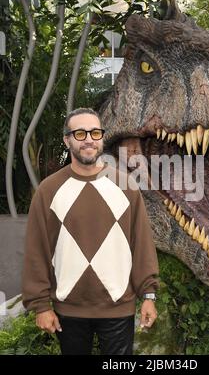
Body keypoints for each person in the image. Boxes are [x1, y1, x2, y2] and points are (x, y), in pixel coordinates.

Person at [22, 107, 159, 355]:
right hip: (68, 308)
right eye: (80, 133)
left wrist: (149, 295)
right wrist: (41, 305)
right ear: (67, 139)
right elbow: (37, 250)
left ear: (102, 138)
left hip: (119, 306)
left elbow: (142, 245)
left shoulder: (125, 186)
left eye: (95, 133)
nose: (89, 139)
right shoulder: (48, 190)